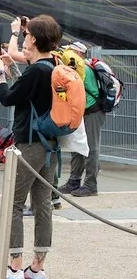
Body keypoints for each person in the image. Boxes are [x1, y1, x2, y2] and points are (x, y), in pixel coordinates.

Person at [0, 15, 63, 279]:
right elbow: (31, 94)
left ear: (32, 38)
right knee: (42, 203)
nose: (24, 37)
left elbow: (9, 98)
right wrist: (12, 71)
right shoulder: (55, 64)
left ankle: (14, 265)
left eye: (27, 34)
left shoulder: (36, 70)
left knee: (14, 203)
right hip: (51, 143)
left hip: (30, 142)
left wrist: (0, 71)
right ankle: (38, 266)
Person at [59, 40, 103, 197]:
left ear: (77, 53)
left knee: (91, 147)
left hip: (92, 110)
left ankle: (91, 185)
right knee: (77, 145)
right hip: (82, 110)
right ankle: (74, 181)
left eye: (70, 51)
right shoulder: (78, 67)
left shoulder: (82, 67)